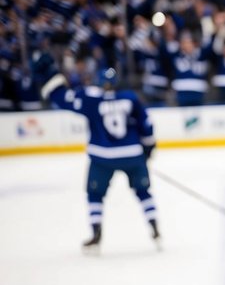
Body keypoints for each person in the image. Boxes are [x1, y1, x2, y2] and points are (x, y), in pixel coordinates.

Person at [31, 56, 160, 253]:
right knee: (143, 191)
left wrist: (51, 77)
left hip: (102, 157)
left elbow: (63, 99)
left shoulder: (90, 98)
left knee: (95, 194)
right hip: (132, 155)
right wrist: (148, 150)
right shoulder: (130, 97)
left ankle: (96, 233)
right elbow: (147, 125)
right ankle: (154, 226)